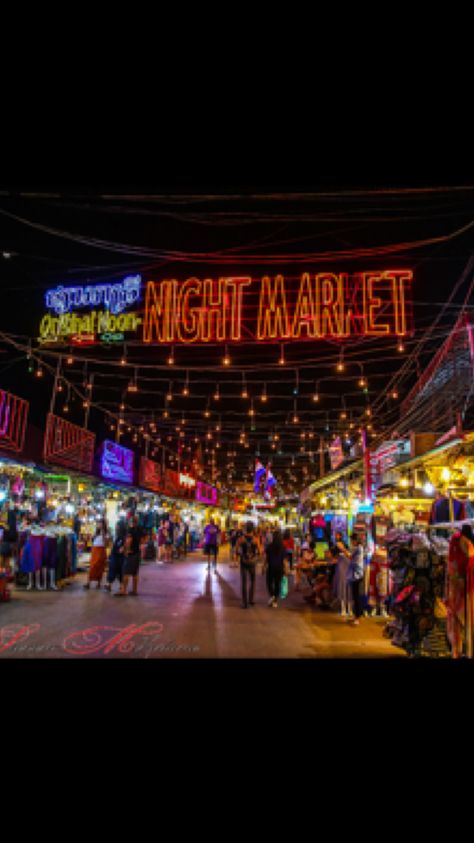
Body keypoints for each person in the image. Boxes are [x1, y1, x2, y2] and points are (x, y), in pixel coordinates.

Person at [115, 516, 142, 596]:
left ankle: (123, 590)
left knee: (126, 572)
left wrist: (125, 549)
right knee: (135, 573)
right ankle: (134, 590)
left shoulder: (130, 530)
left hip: (131, 553)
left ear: (131, 522)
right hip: (137, 552)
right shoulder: (139, 529)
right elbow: (144, 539)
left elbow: (128, 541)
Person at [264, 529, 288, 608]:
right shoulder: (283, 547)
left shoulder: (270, 546)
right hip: (279, 568)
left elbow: (266, 558)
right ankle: (275, 601)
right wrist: (286, 569)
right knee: (277, 584)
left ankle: (272, 596)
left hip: (271, 567)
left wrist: (263, 567)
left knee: (269, 583)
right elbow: (284, 560)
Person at [237, 525, 259, 608]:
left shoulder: (241, 539)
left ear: (246, 530)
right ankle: (251, 599)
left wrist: (240, 555)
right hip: (252, 562)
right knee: (252, 581)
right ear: (252, 530)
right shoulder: (256, 539)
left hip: (244, 561)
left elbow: (236, 550)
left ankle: (245, 603)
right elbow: (260, 551)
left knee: (244, 582)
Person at [83, 522, 109, 589]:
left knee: (100, 567)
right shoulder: (96, 533)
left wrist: (103, 535)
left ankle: (98, 583)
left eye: (100, 524)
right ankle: (88, 583)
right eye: (98, 524)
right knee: (92, 566)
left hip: (101, 550)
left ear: (104, 525)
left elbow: (106, 544)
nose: (99, 525)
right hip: (94, 549)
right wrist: (92, 536)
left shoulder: (106, 533)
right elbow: (92, 541)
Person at [347, 534, 365, 625]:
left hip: (357, 575)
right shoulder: (357, 548)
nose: (351, 542)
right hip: (355, 575)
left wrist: (345, 552)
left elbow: (354, 561)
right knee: (355, 596)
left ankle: (357, 617)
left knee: (357, 596)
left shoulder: (359, 549)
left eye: (352, 540)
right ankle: (355, 616)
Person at [104, 524, 126, 592]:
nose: (116, 528)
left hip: (119, 557)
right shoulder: (116, 536)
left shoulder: (123, 538)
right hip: (114, 556)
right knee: (113, 570)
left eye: (117, 527)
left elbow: (121, 548)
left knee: (119, 572)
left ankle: (121, 587)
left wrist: (121, 550)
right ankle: (109, 585)